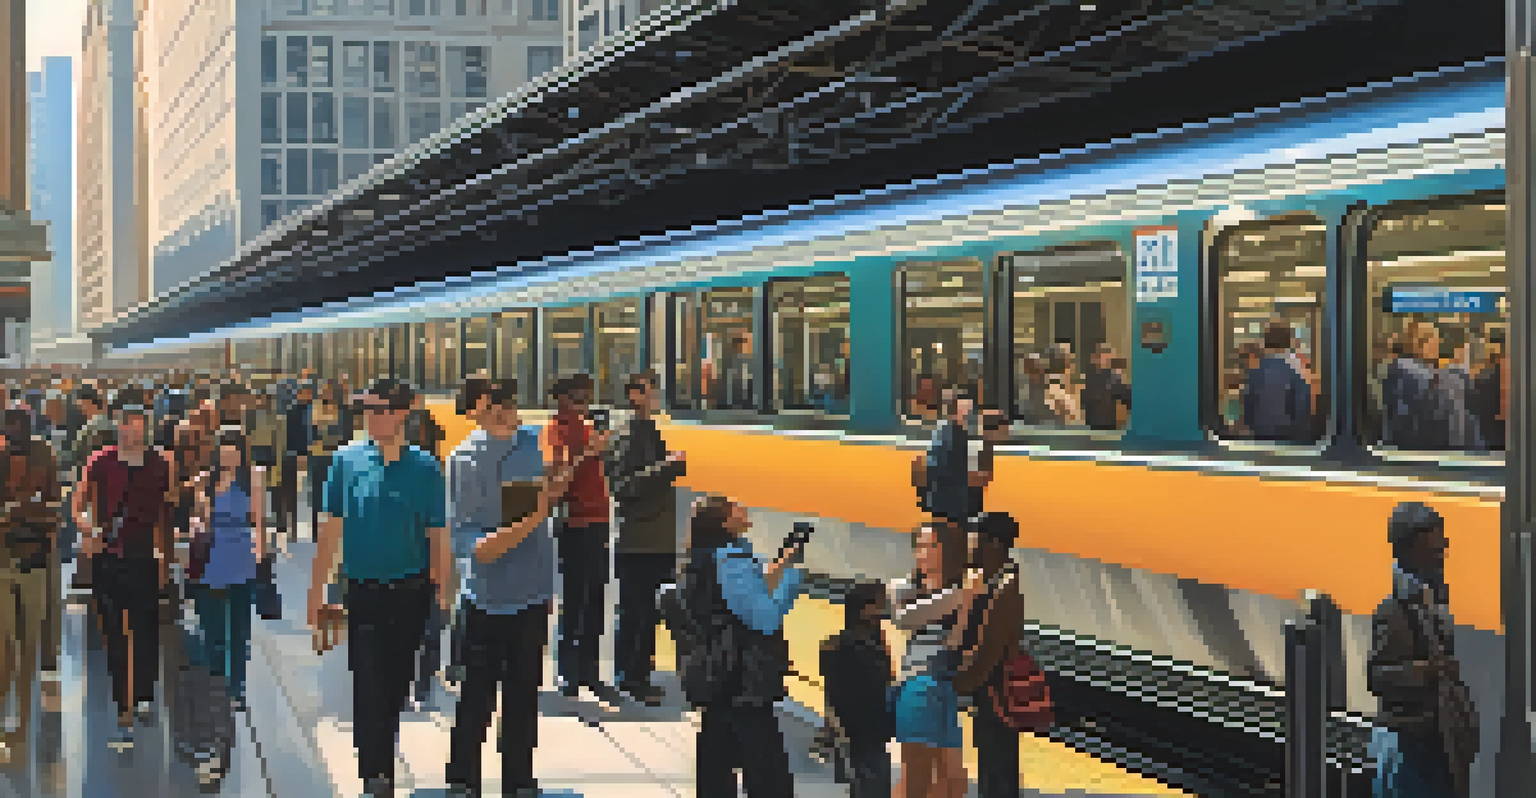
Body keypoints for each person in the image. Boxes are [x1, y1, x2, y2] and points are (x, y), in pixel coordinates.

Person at [308, 379, 450, 797]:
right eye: (367, 410)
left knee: (396, 683)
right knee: (367, 680)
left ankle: (381, 755)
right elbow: (330, 532)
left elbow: (437, 534)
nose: (371, 417)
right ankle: (376, 773)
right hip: (362, 591)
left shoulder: (426, 468)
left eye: (380, 409)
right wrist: (316, 594)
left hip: (411, 592)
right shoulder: (345, 461)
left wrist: (443, 592)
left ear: (402, 413)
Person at [444, 377, 571, 798]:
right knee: (475, 697)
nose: (506, 408)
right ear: (478, 409)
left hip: (532, 594)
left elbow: (553, 485)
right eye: (495, 402)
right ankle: (463, 780)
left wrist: (559, 482)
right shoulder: (463, 459)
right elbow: (472, 545)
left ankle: (518, 781)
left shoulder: (536, 443)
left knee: (523, 697)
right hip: (484, 598)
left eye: (510, 400)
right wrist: (533, 517)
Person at [678, 495, 803, 797]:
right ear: (724, 522)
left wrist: (780, 565)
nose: (743, 508)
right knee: (767, 771)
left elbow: (744, 595)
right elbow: (765, 618)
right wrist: (790, 578)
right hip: (743, 678)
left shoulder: (709, 557)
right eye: (735, 506)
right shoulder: (730, 561)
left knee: (717, 764)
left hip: (718, 674)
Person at [78, 387, 174, 751]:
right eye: (125, 424)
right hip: (108, 558)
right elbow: (78, 502)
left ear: (144, 428)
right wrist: (87, 528)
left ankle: (145, 693)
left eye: (136, 424)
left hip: (144, 558)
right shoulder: (100, 461)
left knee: (146, 629)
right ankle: (123, 704)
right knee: (115, 636)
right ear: (118, 426)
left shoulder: (159, 464)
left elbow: (165, 514)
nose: (130, 430)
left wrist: (165, 559)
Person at [1368, 502, 1478, 798]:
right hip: (1411, 743)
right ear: (1410, 548)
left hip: (1436, 738)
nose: (1443, 549)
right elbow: (1378, 676)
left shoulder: (1432, 599)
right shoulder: (1394, 611)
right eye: (1434, 546)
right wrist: (1427, 671)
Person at [603, 371, 686, 705]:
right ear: (634, 394)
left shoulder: (644, 430)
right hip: (639, 540)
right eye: (651, 391)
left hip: (654, 538)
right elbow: (622, 486)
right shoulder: (628, 434)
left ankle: (639, 673)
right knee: (637, 612)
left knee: (648, 613)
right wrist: (669, 466)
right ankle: (631, 677)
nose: (656, 397)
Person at [890, 521, 985, 798]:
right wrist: (963, 595)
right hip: (917, 684)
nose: (923, 553)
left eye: (932, 545)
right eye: (919, 546)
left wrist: (965, 601)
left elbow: (957, 641)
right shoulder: (903, 588)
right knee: (916, 775)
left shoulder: (962, 590)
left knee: (953, 780)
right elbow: (904, 618)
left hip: (944, 686)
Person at [187, 428, 266, 712]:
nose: (229, 453)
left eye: (234, 448)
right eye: (224, 448)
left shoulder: (253, 478)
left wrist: (261, 556)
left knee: (239, 626)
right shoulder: (205, 480)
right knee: (213, 625)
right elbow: (199, 518)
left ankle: (237, 687)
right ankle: (217, 677)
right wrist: (201, 504)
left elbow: (259, 520)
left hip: (242, 554)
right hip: (212, 554)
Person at [547, 373, 614, 698]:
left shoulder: (589, 429)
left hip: (599, 520)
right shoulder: (555, 430)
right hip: (575, 522)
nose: (584, 405)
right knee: (574, 599)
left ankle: (590, 669)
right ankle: (568, 671)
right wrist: (587, 452)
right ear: (562, 399)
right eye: (578, 399)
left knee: (596, 598)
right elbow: (556, 474)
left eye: (587, 398)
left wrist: (601, 449)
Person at [0, 408, 61, 762]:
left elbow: (54, 509)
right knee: (6, 649)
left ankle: (21, 729)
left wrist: (20, 511)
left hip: (34, 560)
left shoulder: (44, 454)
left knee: (27, 650)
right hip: (6, 561)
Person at [953, 513, 1024, 798]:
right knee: (996, 766)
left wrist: (957, 684)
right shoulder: (994, 583)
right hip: (993, 693)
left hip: (995, 694)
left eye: (975, 540)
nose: (970, 548)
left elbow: (989, 651)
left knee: (996, 769)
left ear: (993, 543)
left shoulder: (1003, 589)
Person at [820, 581, 894, 798]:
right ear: (862, 609)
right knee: (870, 784)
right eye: (878, 605)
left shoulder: (872, 644)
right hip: (857, 729)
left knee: (870, 784)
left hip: (870, 730)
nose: (882, 611)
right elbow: (832, 690)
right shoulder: (842, 645)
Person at [280, 382, 314, 541]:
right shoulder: (291, 411)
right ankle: (291, 527)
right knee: (291, 493)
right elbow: (289, 434)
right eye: (303, 392)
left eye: (308, 392)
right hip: (294, 454)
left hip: (315, 454)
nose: (306, 395)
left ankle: (315, 529)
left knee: (314, 493)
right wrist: (297, 453)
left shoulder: (317, 411)